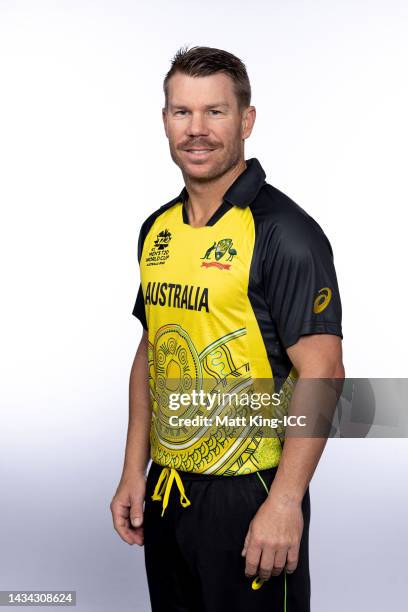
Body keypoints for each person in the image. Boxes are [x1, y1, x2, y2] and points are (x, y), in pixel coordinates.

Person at [110, 45, 345, 612]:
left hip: (252, 491)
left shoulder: (284, 232)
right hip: (169, 490)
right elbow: (153, 351)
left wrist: (286, 501)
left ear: (246, 120)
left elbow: (324, 370)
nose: (196, 130)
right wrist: (132, 470)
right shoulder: (156, 229)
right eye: (181, 112)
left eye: (215, 112)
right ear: (164, 119)